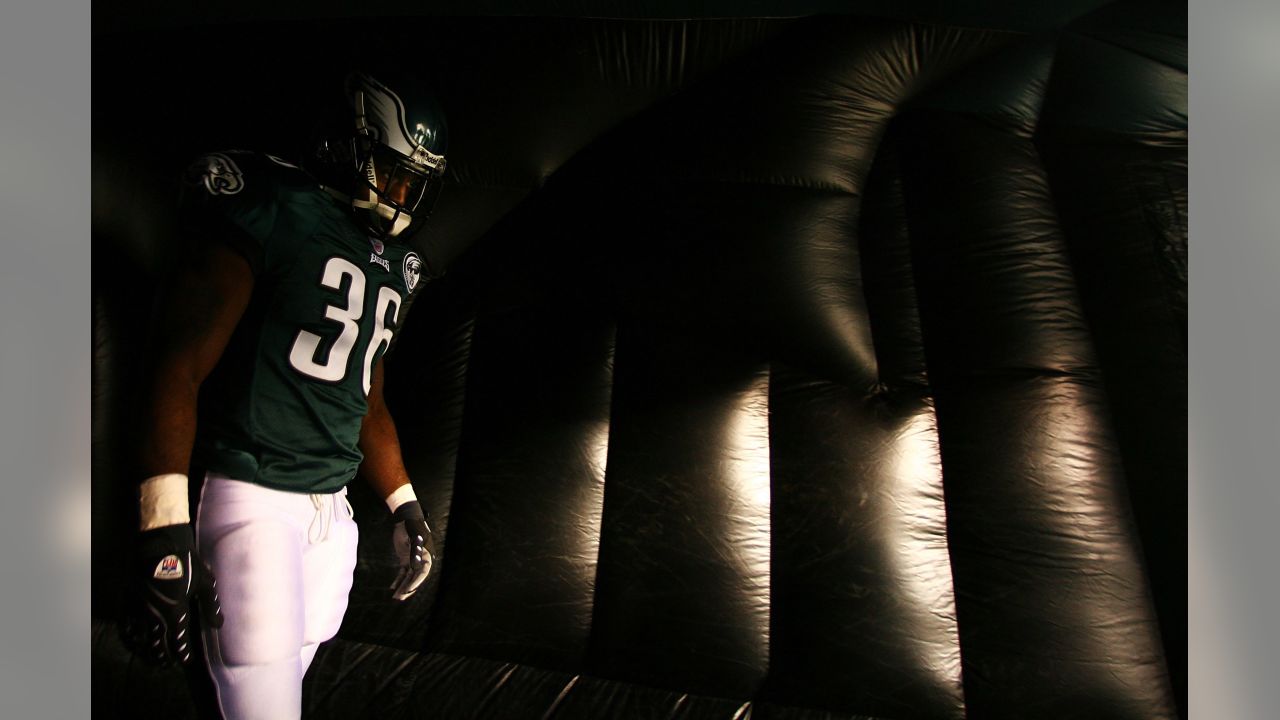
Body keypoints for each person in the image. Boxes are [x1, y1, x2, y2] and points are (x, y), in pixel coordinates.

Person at [123, 69, 449, 720]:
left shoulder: (391, 261)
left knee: (279, 691)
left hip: (332, 512)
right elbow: (178, 364)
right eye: (390, 171)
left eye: (413, 180)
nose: (400, 192)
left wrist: (404, 503)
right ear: (346, 147)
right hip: (255, 497)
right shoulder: (276, 204)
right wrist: (163, 525)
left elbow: (367, 397)